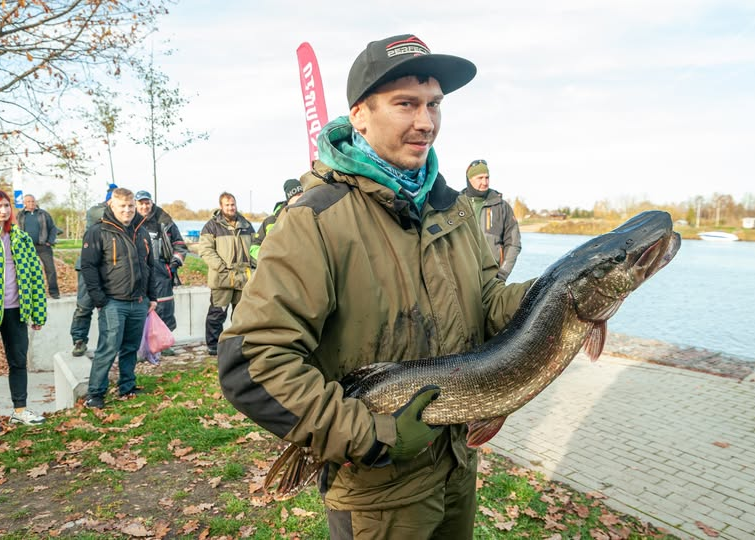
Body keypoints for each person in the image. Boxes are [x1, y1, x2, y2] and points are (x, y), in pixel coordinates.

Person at [218, 34, 533, 538]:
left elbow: (489, 304)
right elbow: (252, 364)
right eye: (405, 104)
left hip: (456, 471)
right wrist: (374, 436)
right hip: (376, 494)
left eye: (434, 104)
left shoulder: (453, 208)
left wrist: (569, 293)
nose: (425, 122)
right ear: (360, 114)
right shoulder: (316, 219)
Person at [0, 189, 47, 436]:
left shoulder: (20, 238)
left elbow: (35, 276)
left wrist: (37, 311)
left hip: (16, 311)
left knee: (18, 361)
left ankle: (20, 409)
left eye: (6, 206)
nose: (3, 211)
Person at [80, 188, 157, 409]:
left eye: (130, 206)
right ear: (112, 206)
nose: (127, 210)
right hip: (113, 302)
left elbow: (150, 265)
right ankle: (96, 393)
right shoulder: (98, 231)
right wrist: (99, 300)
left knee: (131, 347)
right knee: (108, 347)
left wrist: (152, 296)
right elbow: (88, 267)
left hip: (139, 302)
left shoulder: (141, 231)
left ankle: (127, 386)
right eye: (122, 206)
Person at [199, 192, 255, 356]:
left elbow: (255, 247)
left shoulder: (246, 225)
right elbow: (205, 250)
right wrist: (221, 267)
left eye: (233, 204)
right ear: (221, 206)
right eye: (227, 205)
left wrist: (254, 267)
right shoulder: (211, 226)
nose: (231, 207)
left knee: (242, 314)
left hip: (243, 278)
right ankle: (213, 346)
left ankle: (239, 344)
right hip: (221, 278)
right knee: (217, 314)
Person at [70, 183, 117, 357]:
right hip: (88, 266)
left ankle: (107, 344)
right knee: (84, 305)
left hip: (110, 267)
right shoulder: (96, 211)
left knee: (108, 306)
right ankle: (79, 340)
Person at [134, 191, 187, 341]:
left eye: (147, 203)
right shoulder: (130, 222)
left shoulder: (164, 221)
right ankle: (141, 346)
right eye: (141, 203)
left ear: (151, 203)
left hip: (161, 271)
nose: (144, 206)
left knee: (164, 308)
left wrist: (174, 263)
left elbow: (180, 245)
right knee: (139, 309)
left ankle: (163, 343)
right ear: (136, 204)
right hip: (138, 271)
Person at [460, 159, 522, 281]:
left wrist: (502, 274)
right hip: (461, 279)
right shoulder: (456, 204)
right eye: (480, 178)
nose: (484, 182)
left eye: (487, 177)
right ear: (469, 179)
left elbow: (514, 243)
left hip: (493, 280)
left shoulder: (502, 206)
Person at [16, 194, 61, 299]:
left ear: (35, 202)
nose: (31, 203)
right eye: (28, 201)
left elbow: (53, 229)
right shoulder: (20, 215)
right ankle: (30, 294)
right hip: (26, 248)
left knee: (50, 269)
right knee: (27, 270)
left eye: (32, 201)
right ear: (24, 203)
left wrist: (49, 241)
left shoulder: (43, 214)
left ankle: (54, 293)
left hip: (43, 247)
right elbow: (16, 229)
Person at [249, 179, 303, 263]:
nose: (301, 197)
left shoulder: (308, 218)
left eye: (303, 194)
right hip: (275, 270)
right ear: (289, 197)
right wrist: (269, 259)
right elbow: (254, 248)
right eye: (298, 194)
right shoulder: (270, 221)